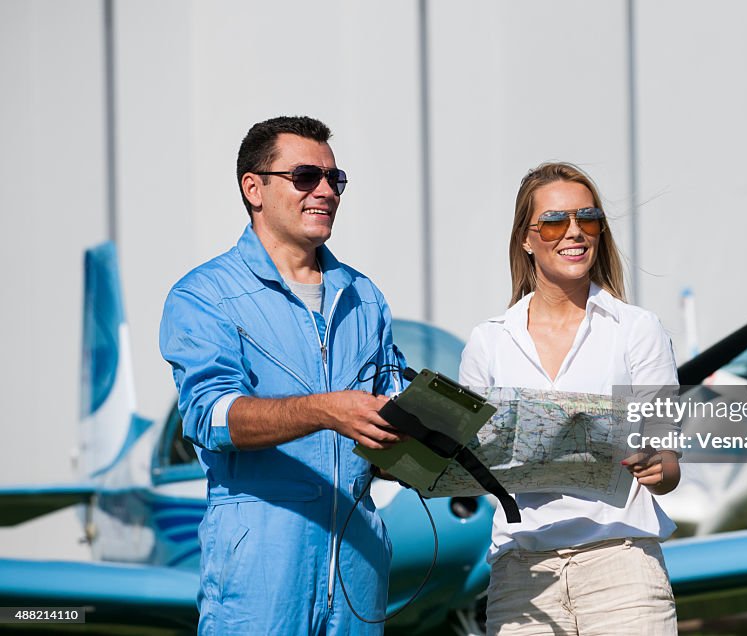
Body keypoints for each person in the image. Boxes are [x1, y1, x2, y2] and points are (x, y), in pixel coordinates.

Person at [159, 116, 406, 635]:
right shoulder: (203, 296)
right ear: (254, 188)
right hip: (260, 574)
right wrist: (324, 410)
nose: (325, 191)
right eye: (305, 177)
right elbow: (211, 416)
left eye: (334, 180)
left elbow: (392, 398)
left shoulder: (366, 296)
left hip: (358, 572)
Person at [459, 162, 681, 635]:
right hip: (521, 577)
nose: (574, 233)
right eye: (556, 222)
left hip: (622, 570)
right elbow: (471, 468)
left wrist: (659, 466)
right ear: (526, 237)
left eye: (589, 219)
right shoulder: (488, 341)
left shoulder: (638, 330)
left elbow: (668, 460)